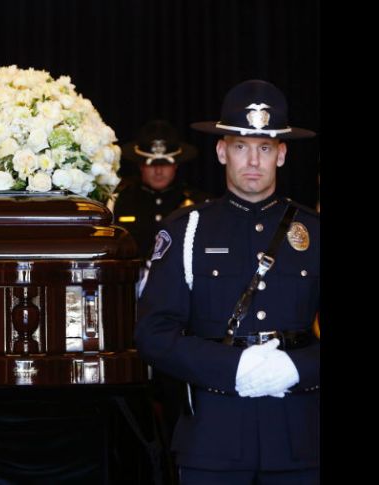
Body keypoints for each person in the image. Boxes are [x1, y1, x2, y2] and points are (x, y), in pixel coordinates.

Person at [135, 80, 319, 484]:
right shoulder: (187, 230)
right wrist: (233, 367)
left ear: (282, 155)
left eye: (265, 147)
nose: (253, 160)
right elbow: (153, 334)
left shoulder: (314, 231)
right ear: (221, 151)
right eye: (241, 146)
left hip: (300, 439)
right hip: (212, 441)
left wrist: (298, 368)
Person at [112, 120, 211, 260]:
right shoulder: (118, 201)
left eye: (165, 164)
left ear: (176, 165)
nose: (158, 171)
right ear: (141, 165)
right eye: (151, 164)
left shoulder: (198, 203)